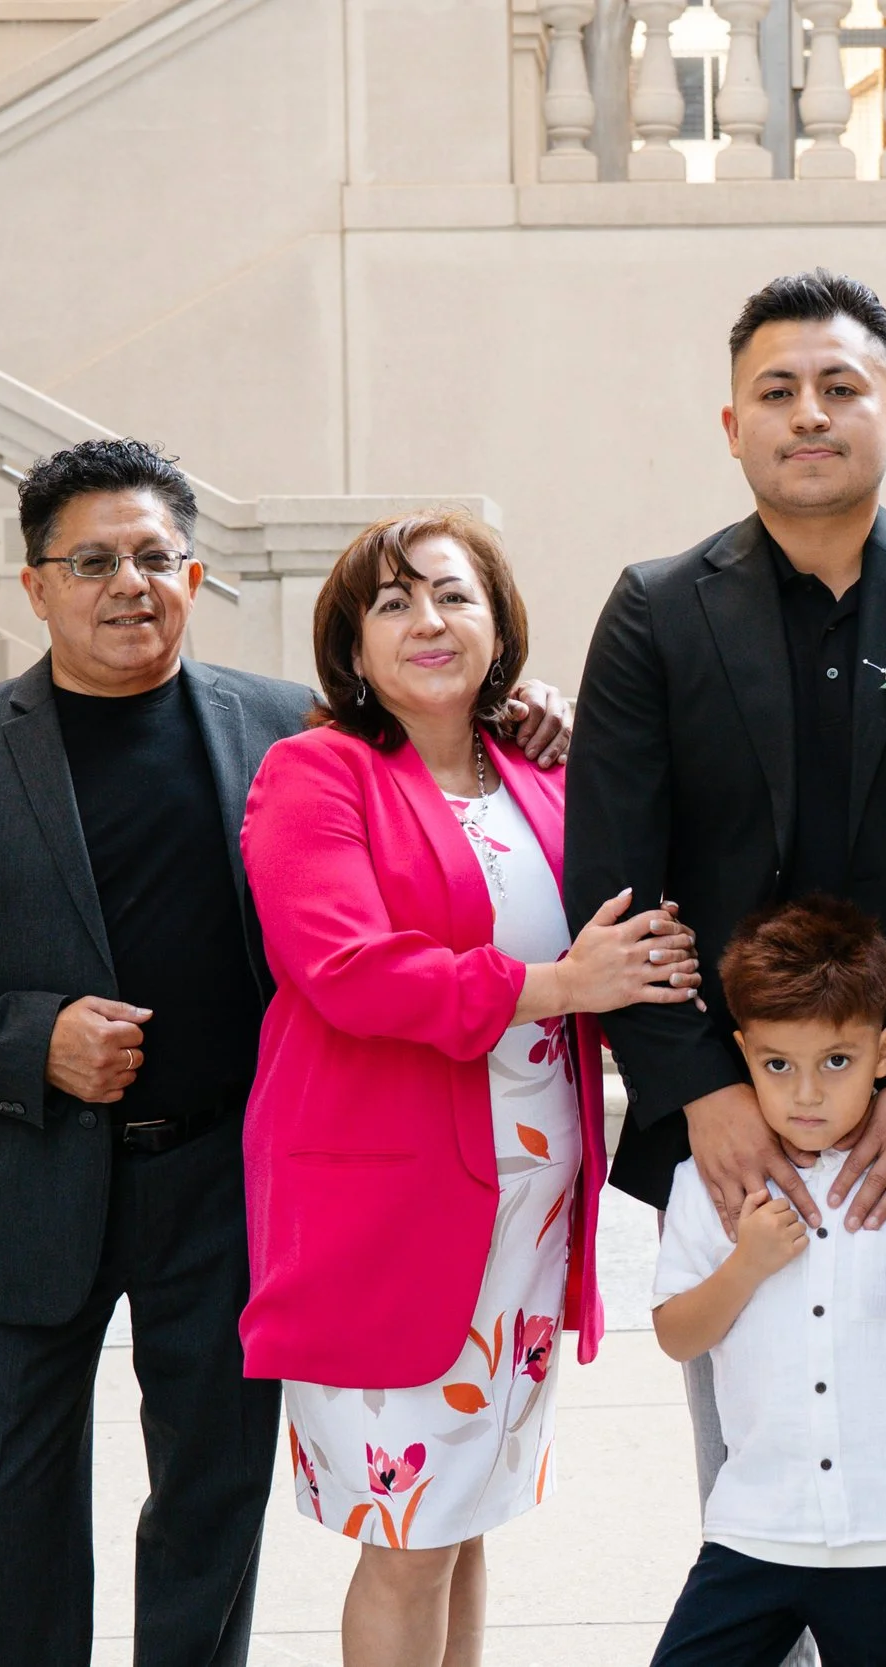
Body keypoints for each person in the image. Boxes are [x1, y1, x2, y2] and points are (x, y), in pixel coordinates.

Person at [0, 441, 570, 1667]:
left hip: (228, 1187)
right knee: (14, 1511)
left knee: (210, 1508)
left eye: (154, 556)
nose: (129, 583)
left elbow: (441, 788)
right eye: (93, 561)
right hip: (25, 1182)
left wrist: (522, 708)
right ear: (35, 586)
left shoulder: (288, 729)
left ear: (193, 572)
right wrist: (33, 1041)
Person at [565, 268, 886, 1667]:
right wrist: (694, 1095)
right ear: (732, 420)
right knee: (762, 1481)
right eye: (780, 390)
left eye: (842, 387)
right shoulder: (655, 610)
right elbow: (616, 876)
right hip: (743, 1122)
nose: (812, 413)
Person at [234, 510, 695, 1666]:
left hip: (525, 1213)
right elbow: (344, 969)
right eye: (391, 603)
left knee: (468, 1511)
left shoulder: (537, 772)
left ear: (499, 624)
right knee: (404, 1533)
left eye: (451, 595)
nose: (427, 621)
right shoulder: (316, 773)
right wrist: (561, 981)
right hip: (385, 1213)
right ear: (350, 645)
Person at [649, 898, 886, 1667]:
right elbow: (677, 1333)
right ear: (744, 1054)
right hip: (759, 1524)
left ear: (884, 1050)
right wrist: (746, 1264)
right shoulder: (710, 1182)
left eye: (835, 1061)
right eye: (779, 1065)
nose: (806, 1094)